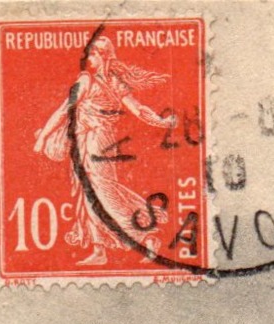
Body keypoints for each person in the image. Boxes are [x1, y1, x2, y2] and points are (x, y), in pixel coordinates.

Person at [32, 36, 179, 265]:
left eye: (92, 54)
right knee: (89, 194)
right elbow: (137, 109)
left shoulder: (90, 81)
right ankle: (99, 249)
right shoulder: (110, 81)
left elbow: (64, 111)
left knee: (103, 193)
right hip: (89, 140)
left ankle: (146, 238)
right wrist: (160, 121)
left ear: (102, 56)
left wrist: (42, 137)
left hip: (96, 141)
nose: (89, 58)